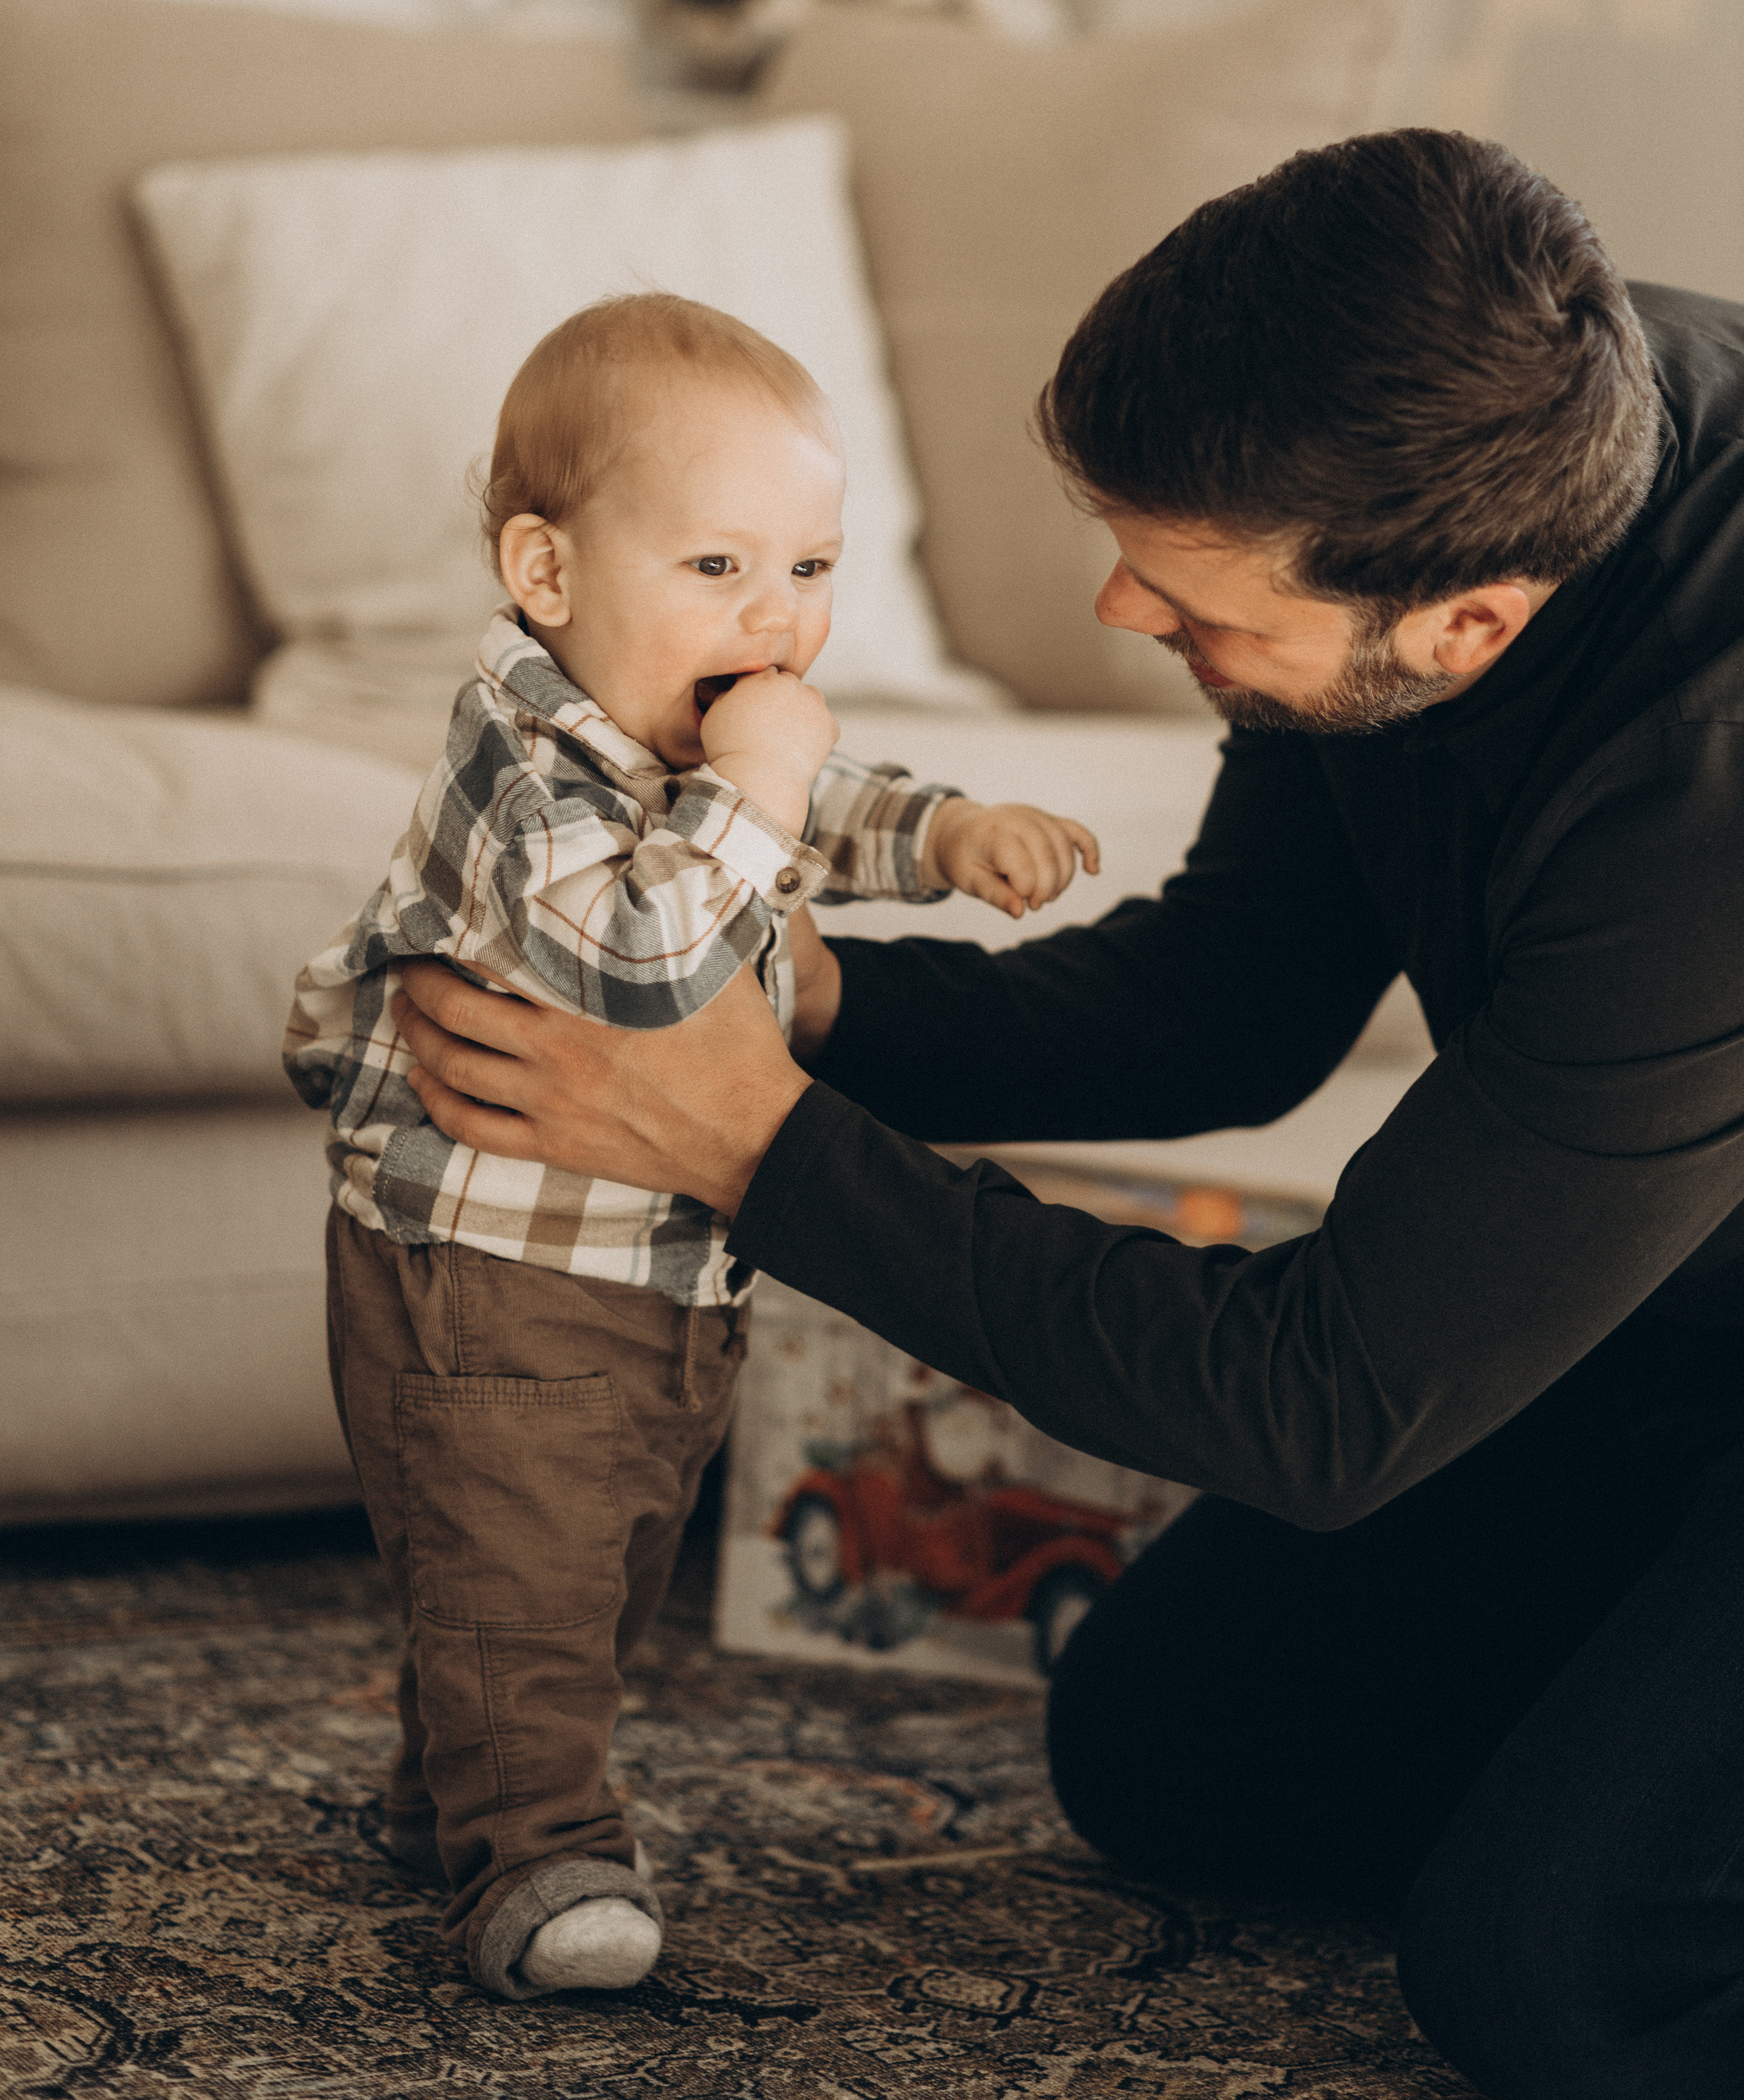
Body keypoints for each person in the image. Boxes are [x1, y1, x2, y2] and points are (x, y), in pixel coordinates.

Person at [388, 132, 1744, 2099]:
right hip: (1655, 1302)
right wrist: (805, 1001)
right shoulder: (1470, 448)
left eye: (1193, 600)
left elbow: (1323, 1405)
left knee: (1559, 1980)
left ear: (1468, 626)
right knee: (1176, 1751)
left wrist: (747, 1142)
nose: (1121, 607)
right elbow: (1229, 1002)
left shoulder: (1708, 784)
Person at [286, 291, 1097, 2002]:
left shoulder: (703, 735)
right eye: (720, 569)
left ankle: (445, 1787)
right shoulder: (525, 756)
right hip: (485, 1275)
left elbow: (821, 793)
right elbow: (643, 959)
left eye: (810, 567)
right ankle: (540, 1860)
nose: (781, 620)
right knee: (522, 1562)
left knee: (606, 1557)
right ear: (546, 574)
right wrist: (767, 789)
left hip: (655, 1268)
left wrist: (943, 828)